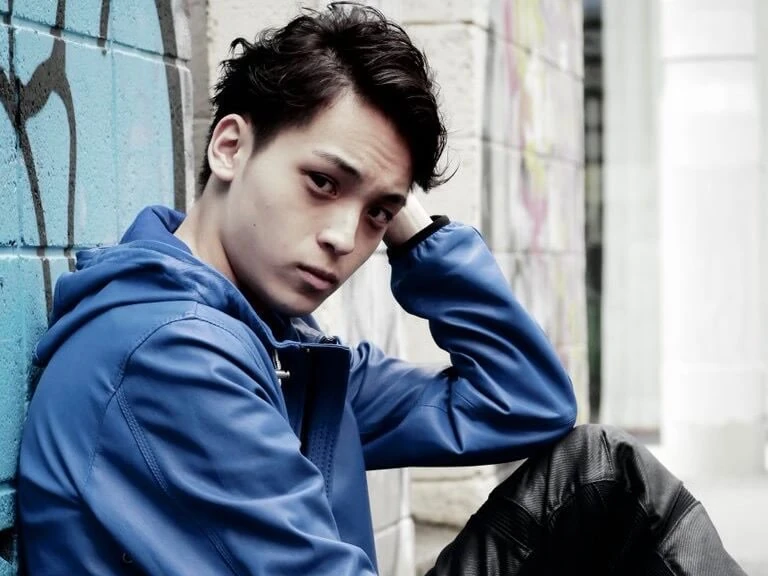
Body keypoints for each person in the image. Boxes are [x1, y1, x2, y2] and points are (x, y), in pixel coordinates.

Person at [18, 4, 745, 575]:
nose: (345, 236)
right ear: (230, 146)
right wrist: (377, 194)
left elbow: (523, 402)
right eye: (321, 182)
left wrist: (411, 226)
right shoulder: (172, 357)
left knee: (599, 475)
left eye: (376, 214)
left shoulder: (275, 350)